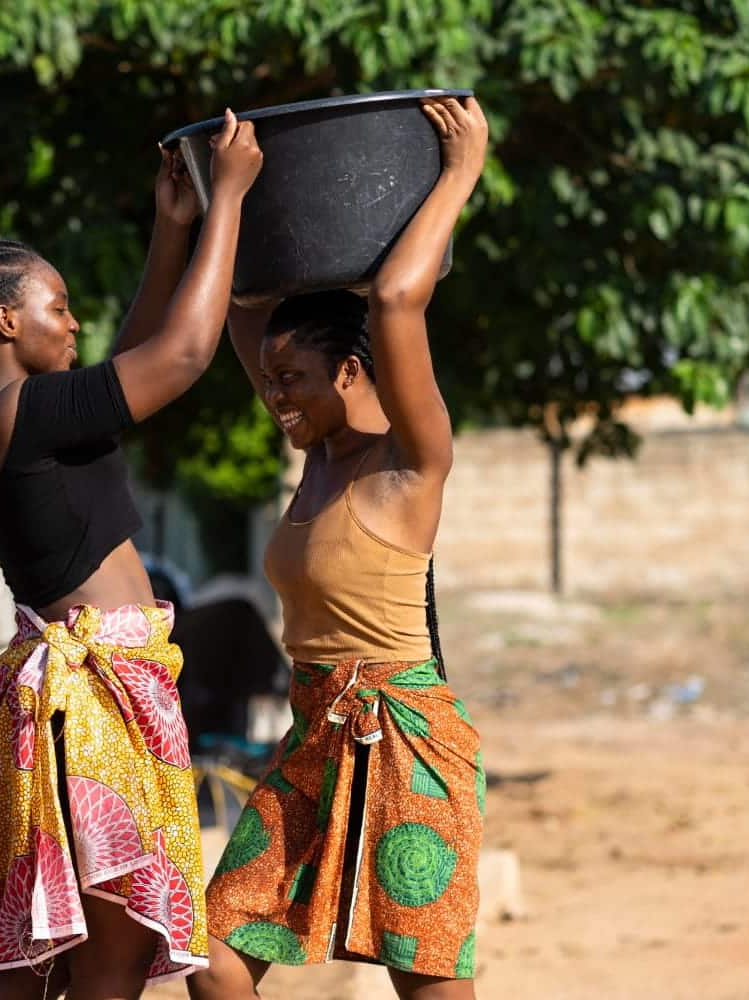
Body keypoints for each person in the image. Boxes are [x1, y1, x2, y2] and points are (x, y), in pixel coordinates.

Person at [0, 112, 262, 999]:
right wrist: (230, 198)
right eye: (58, 307)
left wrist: (172, 230)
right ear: (7, 319)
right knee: (106, 967)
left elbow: (129, 366)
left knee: (43, 968)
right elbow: (181, 356)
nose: (74, 322)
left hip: (79, 702)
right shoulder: (24, 416)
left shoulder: (2, 421)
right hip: (90, 711)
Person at [191, 96, 491, 1000]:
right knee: (214, 959)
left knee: (425, 988)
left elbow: (396, 298)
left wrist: (459, 173)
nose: (275, 398)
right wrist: (221, 196)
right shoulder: (315, 460)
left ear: (352, 372)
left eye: (292, 381)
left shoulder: (410, 462)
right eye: (269, 382)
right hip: (313, 734)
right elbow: (239, 309)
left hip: (405, 740)